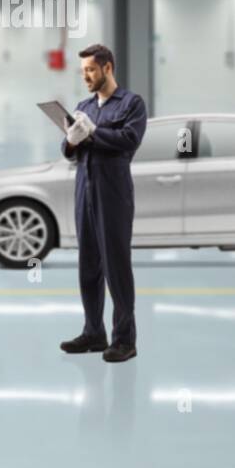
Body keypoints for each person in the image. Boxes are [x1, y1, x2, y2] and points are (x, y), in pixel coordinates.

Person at [59, 43, 147, 363]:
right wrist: (71, 139)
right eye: (83, 71)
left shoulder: (131, 104)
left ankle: (125, 340)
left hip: (113, 194)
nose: (86, 76)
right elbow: (68, 150)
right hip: (85, 189)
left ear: (108, 68)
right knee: (89, 267)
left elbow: (128, 141)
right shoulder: (84, 105)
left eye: (91, 70)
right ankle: (93, 332)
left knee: (116, 268)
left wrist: (94, 133)